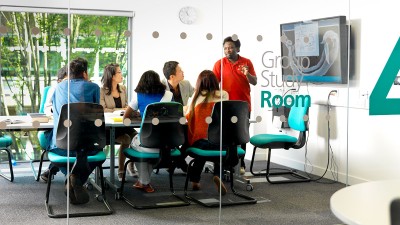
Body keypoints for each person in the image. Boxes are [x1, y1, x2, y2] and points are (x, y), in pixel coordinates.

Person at [49, 57, 100, 204]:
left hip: (61, 146)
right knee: (100, 156)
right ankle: (76, 178)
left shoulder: (58, 87)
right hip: (88, 147)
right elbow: (94, 112)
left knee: (57, 149)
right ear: (84, 73)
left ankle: (70, 177)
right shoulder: (93, 87)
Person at [212, 36, 257, 175]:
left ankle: (241, 162)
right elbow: (213, 84)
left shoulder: (246, 62)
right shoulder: (219, 63)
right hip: (225, 106)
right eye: (225, 48)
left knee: (241, 136)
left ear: (237, 48)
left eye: (231, 47)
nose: (228, 50)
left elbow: (254, 81)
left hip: (243, 106)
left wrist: (247, 74)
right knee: (225, 136)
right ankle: (226, 163)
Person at [123, 70, 173, 193]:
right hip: (168, 143)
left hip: (147, 143)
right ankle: (143, 181)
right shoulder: (169, 95)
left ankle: (144, 181)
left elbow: (125, 119)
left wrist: (141, 116)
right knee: (146, 148)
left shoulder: (138, 96)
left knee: (135, 142)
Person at [186, 70, 229, 195]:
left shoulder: (195, 97)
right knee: (219, 150)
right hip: (221, 142)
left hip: (202, 142)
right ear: (215, 82)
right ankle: (218, 175)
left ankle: (195, 181)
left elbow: (188, 119)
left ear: (199, 83)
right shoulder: (224, 95)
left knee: (202, 150)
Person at [100, 63, 137, 181]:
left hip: (122, 123)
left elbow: (126, 105)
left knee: (136, 137)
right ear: (112, 76)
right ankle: (121, 171)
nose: (122, 74)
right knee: (126, 139)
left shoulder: (123, 89)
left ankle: (131, 164)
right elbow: (102, 109)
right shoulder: (101, 90)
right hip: (109, 126)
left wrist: (126, 109)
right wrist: (120, 110)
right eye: (119, 72)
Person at [162, 61, 194, 172]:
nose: (183, 72)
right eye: (180, 71)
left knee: (191, 137)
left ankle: (176, 162)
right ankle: (181, 163)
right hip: (167, 124)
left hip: (183, 122)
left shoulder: (186, 84)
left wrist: (189, 107)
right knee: (175, 138)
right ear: (172, 76)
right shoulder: (160, 86)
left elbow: (196, 97)